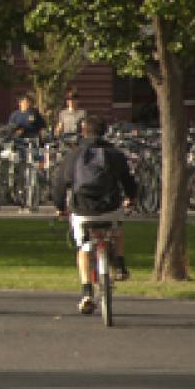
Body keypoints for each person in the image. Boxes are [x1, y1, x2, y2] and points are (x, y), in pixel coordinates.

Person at [51, 115, 137, 314]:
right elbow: (128, 181)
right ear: (105, 132)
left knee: (83, 248)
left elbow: (59, 185)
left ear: (83, 132)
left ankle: (86, 291)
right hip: (110, 208)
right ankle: (120, 264)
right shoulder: (114, 154)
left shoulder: (73, 155)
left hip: (83, 210)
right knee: (117, 229)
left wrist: (60, 208)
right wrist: (131, 198)